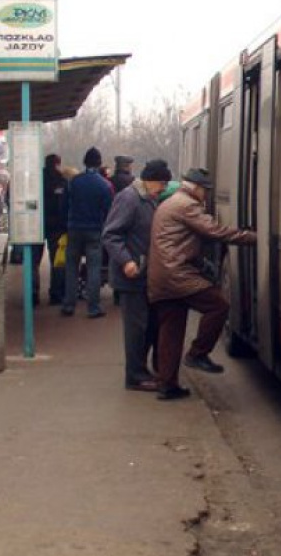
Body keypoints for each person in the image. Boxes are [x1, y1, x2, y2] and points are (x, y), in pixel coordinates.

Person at [148, 168, 256, 400]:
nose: (206, 196)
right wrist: (253, 237)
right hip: (178, 275)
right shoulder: (187, 204)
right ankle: (198, 353)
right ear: (196, 188)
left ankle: (167, 385)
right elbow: (214, 231)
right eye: (205, 191)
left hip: (161, 276)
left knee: (170, 331)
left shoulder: (170, 202)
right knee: (218, 305)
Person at [102, 159, 172, 392]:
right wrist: (126, 261)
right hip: (130, 276)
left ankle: (141, 370)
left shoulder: (147, 199)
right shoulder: (129, 198)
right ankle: (135, 375)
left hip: (144, 275)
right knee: (136, 329)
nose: (163, 189)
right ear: (151, 181)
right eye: (162, 184)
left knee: (148, 325)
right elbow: (111, 235)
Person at [63, 147, 114, 318]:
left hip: (74, 229)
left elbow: (66, 205)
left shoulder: (74, 182)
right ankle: (93, 307)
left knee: (71, 266)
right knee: (94, 268)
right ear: (99, 163)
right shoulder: (105, 185)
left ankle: (69, 305)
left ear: (85, 162)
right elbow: (109, 211)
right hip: (94, 230)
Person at [31, 153, 69, 305]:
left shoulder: (37, 179)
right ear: (58, 163)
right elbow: (66, 204)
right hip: (57, 227)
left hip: (36, 225)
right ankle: (56, 294)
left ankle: (33, 294)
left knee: (34, 261)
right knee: (57, 261)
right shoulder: (62, 181)